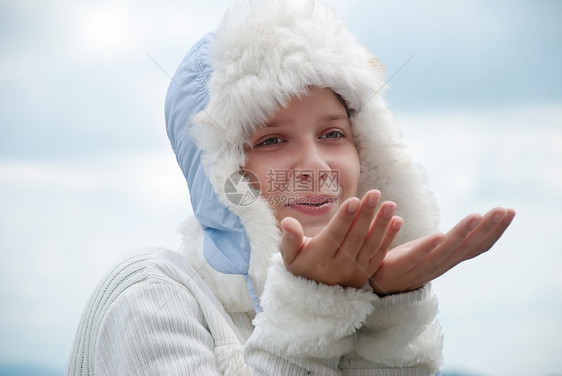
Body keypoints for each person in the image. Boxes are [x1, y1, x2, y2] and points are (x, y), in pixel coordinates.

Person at [66, 0, 515, 375]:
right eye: (272, 140)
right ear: (220, 175)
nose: (316, 165)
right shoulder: (151, 298)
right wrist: (312, 308)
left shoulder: (366, 298)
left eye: (334, 134)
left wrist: (388, 313)